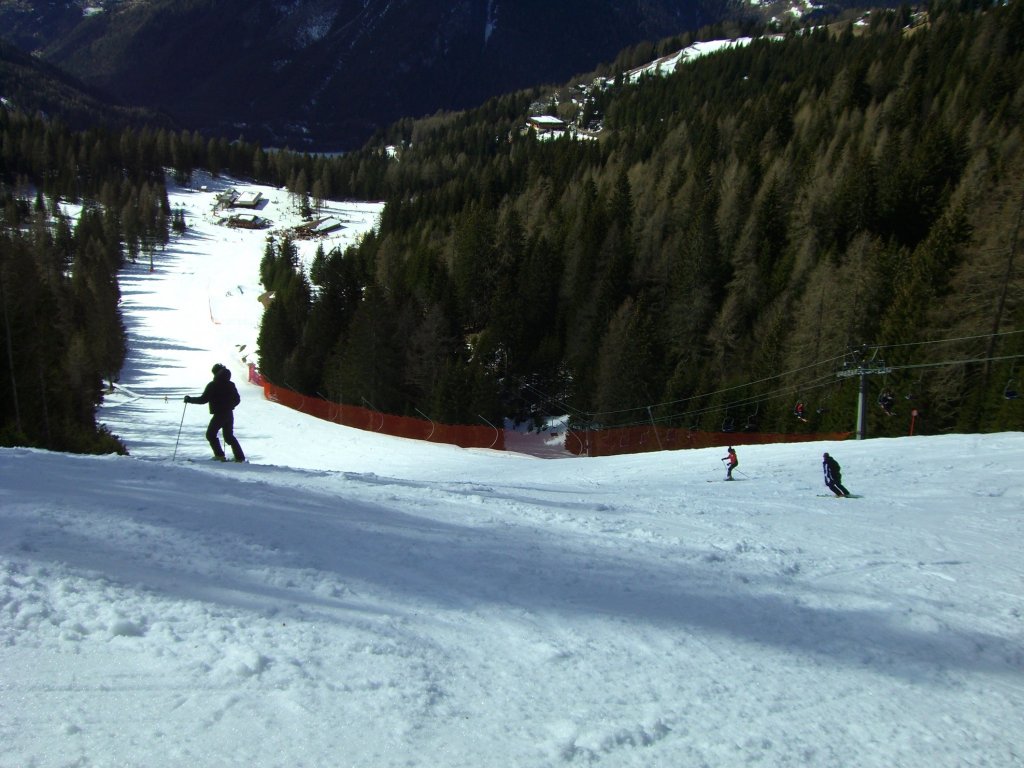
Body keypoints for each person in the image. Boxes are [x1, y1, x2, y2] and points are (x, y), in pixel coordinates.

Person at [185, 363, 245, 462]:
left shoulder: (213, 385)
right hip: (229, 414)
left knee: (210, 434)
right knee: (229, 436)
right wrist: (230, 406)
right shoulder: (230, 384)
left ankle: (219, 456)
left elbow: (203, 399)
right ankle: (240, 457)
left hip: (219, 414)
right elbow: (237, 399)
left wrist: (190, 399)